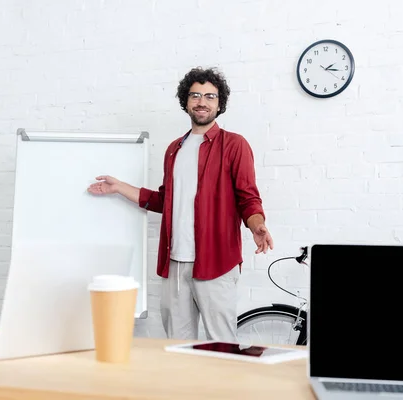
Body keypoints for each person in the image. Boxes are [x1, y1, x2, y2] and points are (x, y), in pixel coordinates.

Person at [87, 67, 273, 342]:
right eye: (195, 95)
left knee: (221, 343)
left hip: (217, 260)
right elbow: (166, 200)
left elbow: (248, 197)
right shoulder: (175, 149)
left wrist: (257, 224)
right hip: (175, 262)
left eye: (210, 96)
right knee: (178, 343)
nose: (202, 101)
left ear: (219, 104)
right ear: (185, 101)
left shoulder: (234, 145)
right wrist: (120, 188)